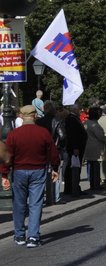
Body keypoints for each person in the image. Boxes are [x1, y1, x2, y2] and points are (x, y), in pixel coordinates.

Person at [2, 105, 59, 247]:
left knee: (19, 204)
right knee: (36, 204)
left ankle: (20, 235)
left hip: (19, 171)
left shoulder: (14, 134)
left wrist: (4, 174)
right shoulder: (43, 133)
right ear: (35, 116)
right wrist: (55, 168)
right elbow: (53, 152)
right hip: (38, 170)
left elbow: (8, 155)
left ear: (21, 116)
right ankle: (33, 237)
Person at [83, 106, 106, 191]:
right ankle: (96, 184)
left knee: (90, 166)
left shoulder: (86, 123)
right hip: (96, 148)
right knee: (96, 167)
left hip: (88, 146)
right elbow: (100, 136)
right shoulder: (94, 124)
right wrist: (105, 139)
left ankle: (92, 183)